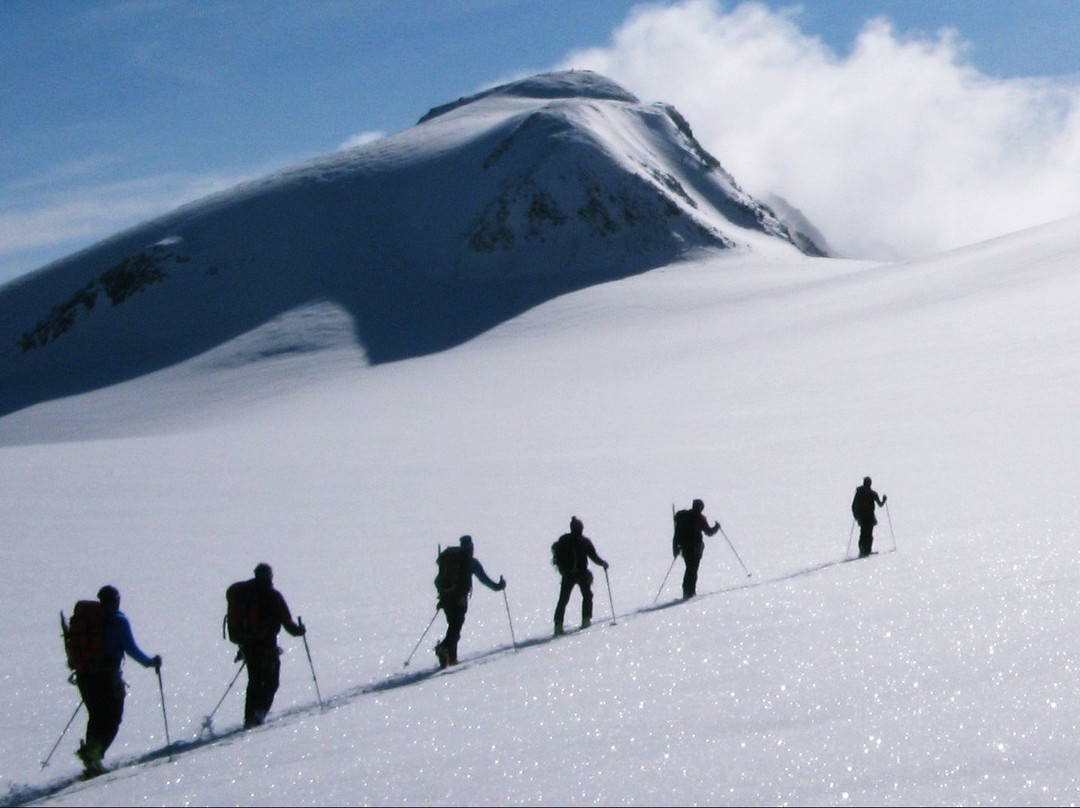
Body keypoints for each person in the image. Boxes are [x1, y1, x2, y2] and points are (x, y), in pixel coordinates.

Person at [72, 585, 161, 777]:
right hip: (106, 677)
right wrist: (150, 662)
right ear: (116, 600)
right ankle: (94, 755)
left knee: (96, 716)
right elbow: (131, 649)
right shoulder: (117, 621)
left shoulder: (87, 620)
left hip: (84, 676)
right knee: (113, 717)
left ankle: (92, 758)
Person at [227, 563, 306, 728]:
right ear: (270, 576)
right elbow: (288, 624)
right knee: (271, 681)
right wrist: (300, 631)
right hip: (266, 645)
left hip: (246, 643)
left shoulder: (243, 592)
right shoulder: (273, 596)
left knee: (254, 681)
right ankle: (260, 714)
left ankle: (249, 718)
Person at [434, 535, 506, 668]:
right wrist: (498, 587)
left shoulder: (450, 559)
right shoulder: (470, 562)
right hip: (459, 600)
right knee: (455, 628)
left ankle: (451, 658)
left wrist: (442, 597)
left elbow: (438, 580)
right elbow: (484, 580)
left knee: (453, 626)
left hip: (446, 599)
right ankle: (443, 649)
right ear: (471, 548)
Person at [551, 516, 609, 636]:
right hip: (582, 574)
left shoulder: (563, 540)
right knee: (587, 596)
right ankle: (586, 620)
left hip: (567, 575)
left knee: (563, 600)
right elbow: (594, 557)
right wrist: (603, 563)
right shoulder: (584, 541)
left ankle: (558, 625)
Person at [672, 499, 721, 599]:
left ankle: (687, 591)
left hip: (684, 547)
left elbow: (676, 534)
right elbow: (708, 532)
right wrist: (717, 527)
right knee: (692, 570)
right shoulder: (699, 517)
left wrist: (675, 549)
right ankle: (690, 592)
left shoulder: (682, 516)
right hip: (695, 548)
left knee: (690, 569)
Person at [851, 477, 887, 557]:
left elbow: (853, 506)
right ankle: (867, 551)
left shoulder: (859, 493)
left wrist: (856, 516)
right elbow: (880, 504)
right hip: (869, 517)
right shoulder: (872, 493)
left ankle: (863, 551)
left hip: (862, 517)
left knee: (863, 534)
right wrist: (884, 500)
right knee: (868, 534)